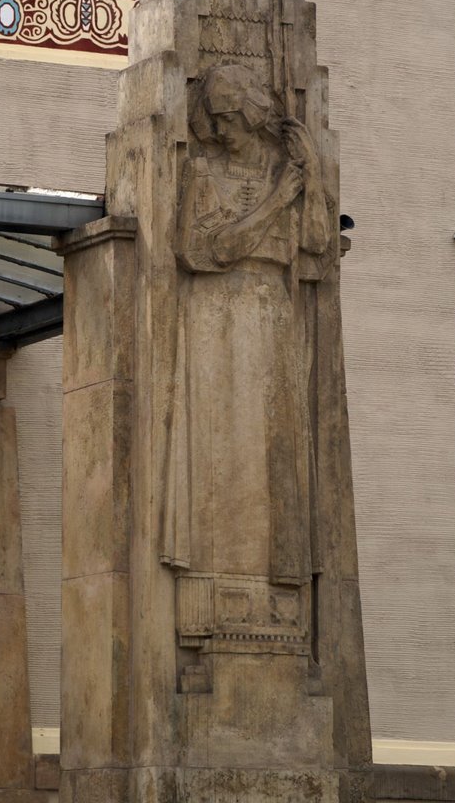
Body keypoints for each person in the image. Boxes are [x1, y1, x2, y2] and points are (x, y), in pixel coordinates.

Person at [161, 63, 329, 588]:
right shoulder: (206, 172)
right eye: (214, 120)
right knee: (219, 450)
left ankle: (278, 576)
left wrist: (313, 177)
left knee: (277, 449)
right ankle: (211, 580)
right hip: (219, 312)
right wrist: (280, 198)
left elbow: (318, 243)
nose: (220, 131)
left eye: (229, 120)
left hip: (274, 312)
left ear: (252, 118)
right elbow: (209, 249)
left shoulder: (284, 172)